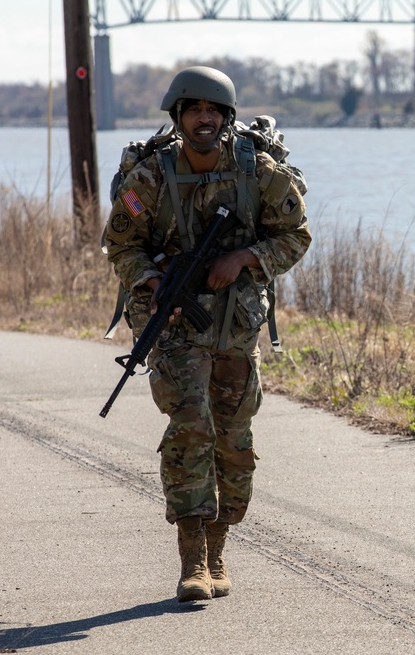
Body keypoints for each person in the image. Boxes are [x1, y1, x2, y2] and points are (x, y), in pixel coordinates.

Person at [103, 66, 311, 602]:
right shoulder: (148, 179)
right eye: (194, 110)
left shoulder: (258, 171)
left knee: (234, 440)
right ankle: (192, 558)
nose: (204, 119)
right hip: (173, 324)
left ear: (227, 118)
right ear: (178, 117)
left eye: (214, 111)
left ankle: (219, 547)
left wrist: (245, 257)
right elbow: (121, 245)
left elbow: (296, 235)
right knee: (190, 430)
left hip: (236, 325)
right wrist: (150, 279)